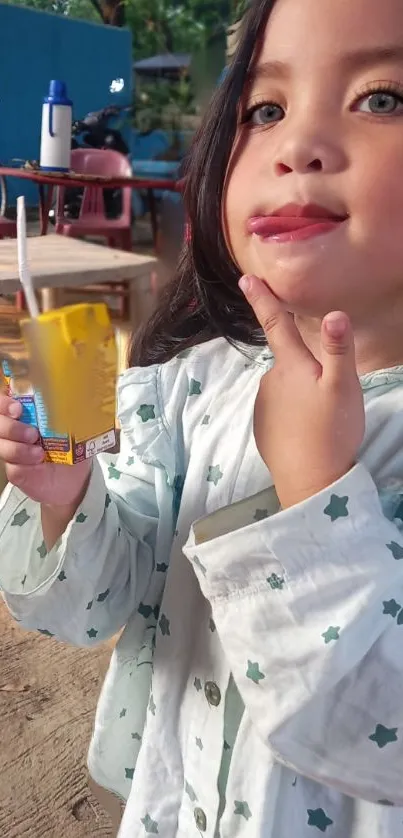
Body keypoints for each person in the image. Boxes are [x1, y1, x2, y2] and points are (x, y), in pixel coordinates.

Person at [2, 0, 403, 834]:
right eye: (264, 109)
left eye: (379, 97)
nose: (296, 147)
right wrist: (67, 496)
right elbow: (90, 609)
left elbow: (376, 740)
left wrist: (314, 496)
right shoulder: (181, 388)